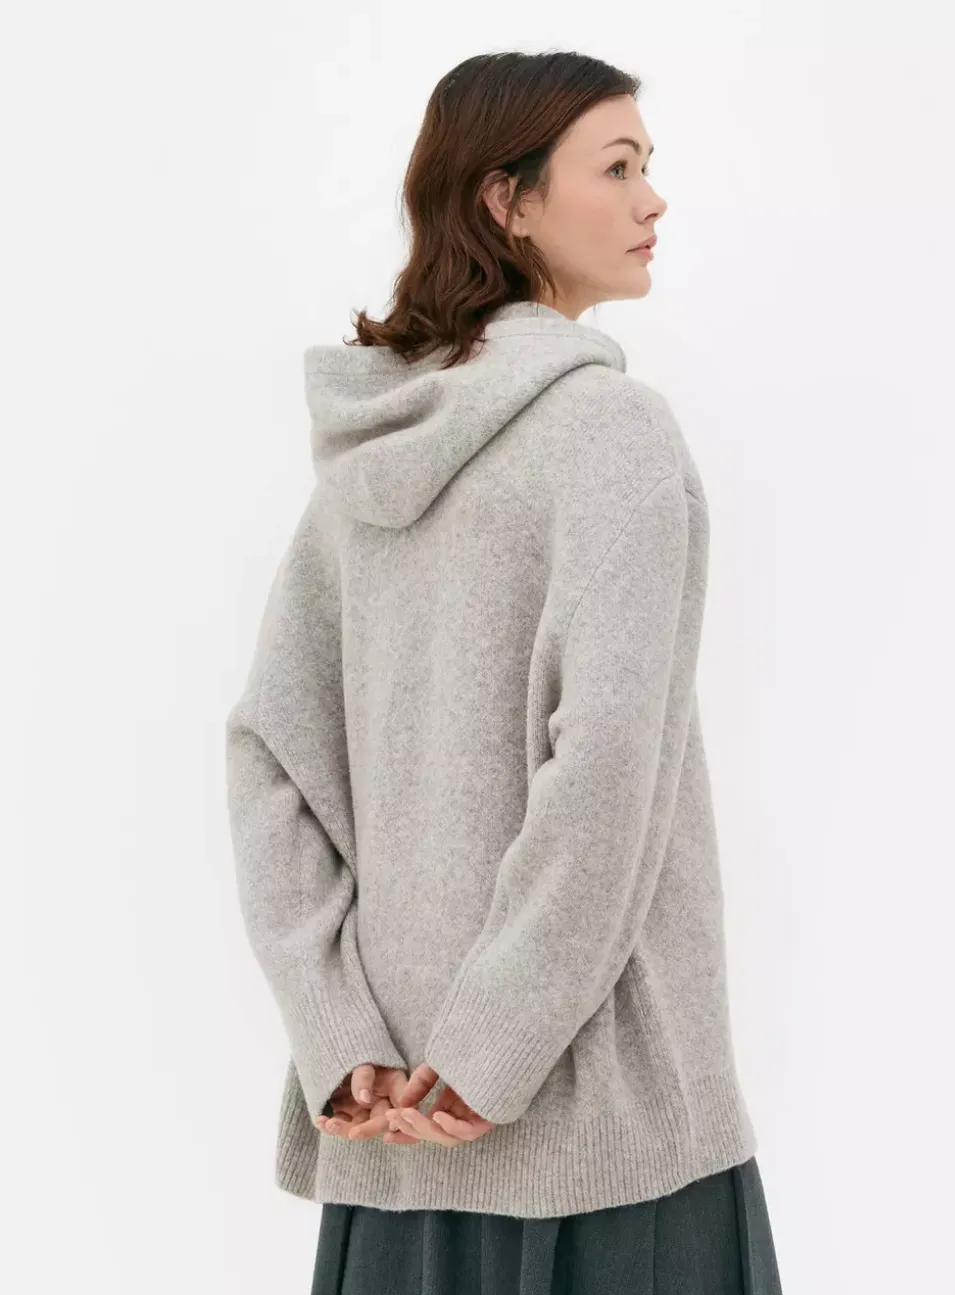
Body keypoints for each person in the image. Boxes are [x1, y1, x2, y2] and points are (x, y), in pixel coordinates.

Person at [224, 48, 785, 1295]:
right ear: (506, 199)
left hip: (390, 1128)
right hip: (603, 1137)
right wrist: (495, 1046)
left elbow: (271, 762)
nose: (652, 199)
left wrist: (341, 1031)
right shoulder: (611, 432)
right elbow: (607, 772)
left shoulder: (365, 462)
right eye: (618, 167)